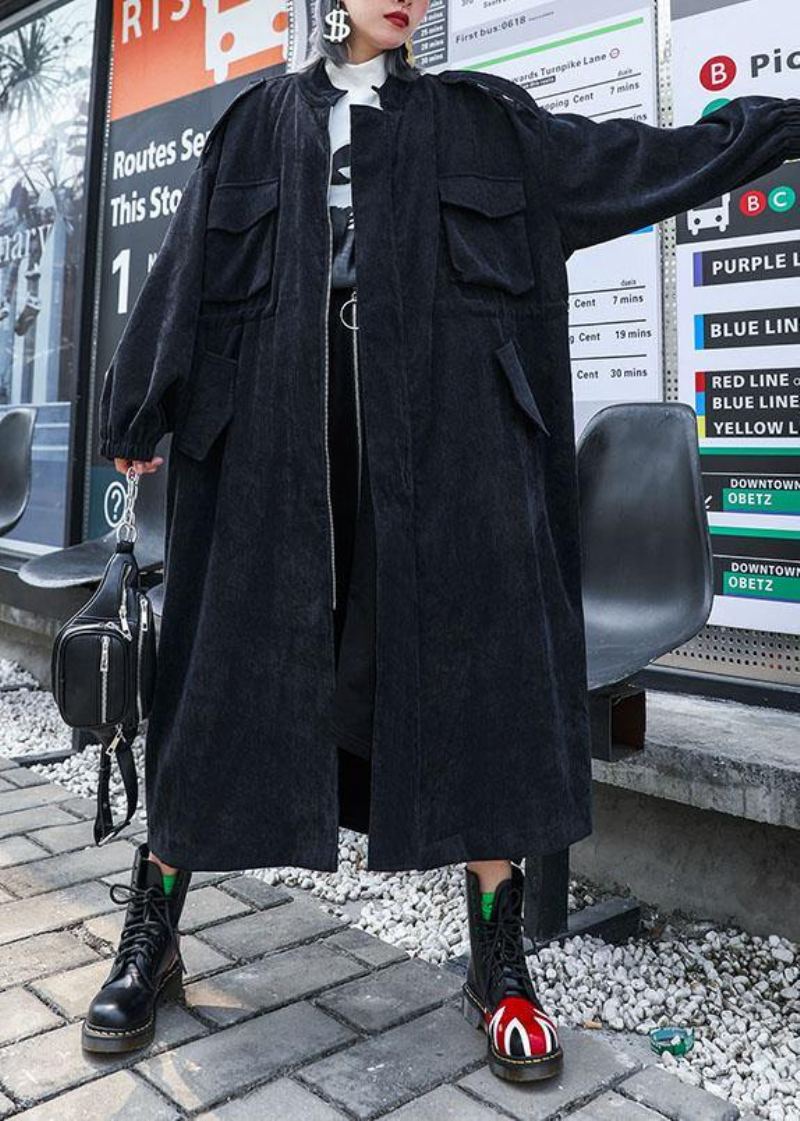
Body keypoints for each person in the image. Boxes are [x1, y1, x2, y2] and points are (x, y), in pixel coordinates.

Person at [83, 0, 799, 1081]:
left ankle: (496, 961)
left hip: (448, 487)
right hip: (274, 488)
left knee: (479, 700)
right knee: (217, 690)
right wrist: (136, 416)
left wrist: (774, 125)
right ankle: (155, 934)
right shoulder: (255, 124)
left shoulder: (489, 125)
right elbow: (185, 279)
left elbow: (642, 160)